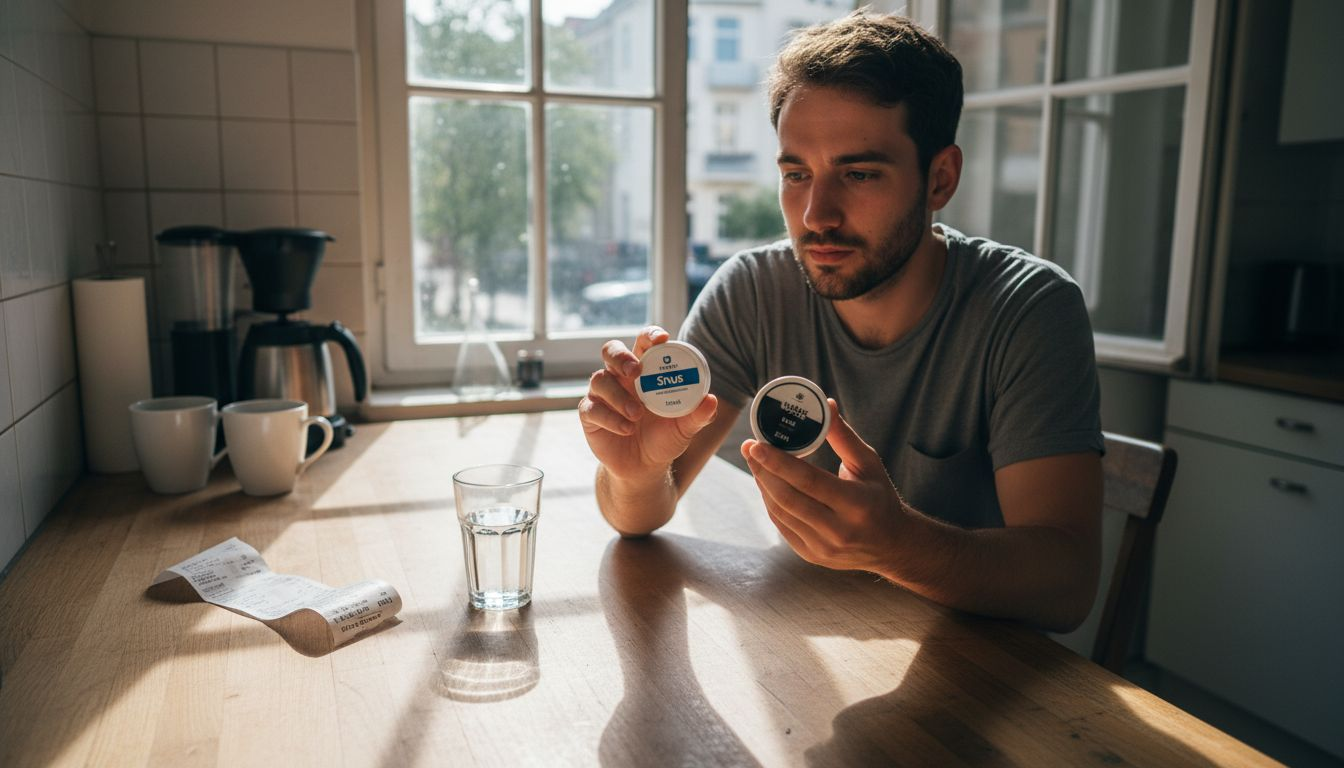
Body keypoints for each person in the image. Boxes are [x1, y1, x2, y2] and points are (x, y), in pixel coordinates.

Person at [578, 12, 1104, 633]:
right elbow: (637, 515)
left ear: (940, 178)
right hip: (801, 652)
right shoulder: (753, 290)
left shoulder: (1027, 308)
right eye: (796, 174)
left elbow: (1068, 586)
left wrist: (901, 545)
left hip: (978, 678)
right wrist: (633, 472)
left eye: (858, 174)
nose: (815, 214)